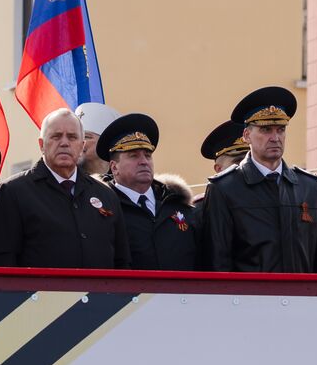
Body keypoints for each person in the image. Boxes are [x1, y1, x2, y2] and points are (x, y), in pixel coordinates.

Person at [202, 86, 317, 272]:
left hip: (303, 298)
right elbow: (217, 263)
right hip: (250, 299)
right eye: (265, 130)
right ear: (247, 135)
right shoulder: (225, 188)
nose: (275, 138)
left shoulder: (309, 187)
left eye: (280, 130)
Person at [0, 107, 130, 269]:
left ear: (81, 146)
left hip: (100, 294)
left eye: (72, 137)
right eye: (56, 136)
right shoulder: (13, 192)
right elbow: (2, 262)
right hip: (38, 294)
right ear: (41, 144)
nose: (64, 143)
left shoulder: (106, 195)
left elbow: (122, 261)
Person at [98, 112, 199, 270]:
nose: (144, 162)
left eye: (148, 155)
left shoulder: (177, 204)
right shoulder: (105, 210)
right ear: (114, 167)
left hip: (183, 294)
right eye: (133, 156)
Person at [194, 120, 250, 211]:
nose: (246, 165)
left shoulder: (271, 198)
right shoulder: (203, 209)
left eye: (250, 160)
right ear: (219, 169)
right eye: (238, 161)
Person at [75, 102, 121, 180]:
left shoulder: (123, 182)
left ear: (105, 143)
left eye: (86, 137)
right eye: (74, 137)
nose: (78, 142)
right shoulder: (67, 180)